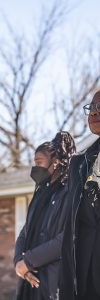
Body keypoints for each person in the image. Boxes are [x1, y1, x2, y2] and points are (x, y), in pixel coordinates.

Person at [14, 131, 76, 300]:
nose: (35, 168)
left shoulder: (69, 193)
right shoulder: (39, 195)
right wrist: (19, 263)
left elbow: (67, 238)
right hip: (29, 282)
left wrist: (28, 261)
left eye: (39, 162)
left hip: (53, 283)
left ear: (55, 162)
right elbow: (24, 233)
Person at [59, 90, 100, 300]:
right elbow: (70, 228)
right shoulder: (79, 162)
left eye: (99, 107)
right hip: (84, 273)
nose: (93, 113)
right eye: (91, 108)